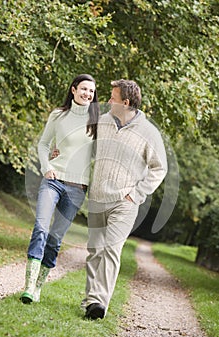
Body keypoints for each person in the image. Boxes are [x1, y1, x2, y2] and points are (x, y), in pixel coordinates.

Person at [83, 79, 168, 319]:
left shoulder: (149, 132)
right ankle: (90, 300)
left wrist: (137, 194)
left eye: (113, 97)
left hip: (125, 202)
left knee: (111, 249)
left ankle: (99, 303)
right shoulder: (103, 121)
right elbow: (84, 144)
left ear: (126, 103)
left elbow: (159, 168)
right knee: (94, 251)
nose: (109, 100)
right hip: (98, 197)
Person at [20, 74, 99, 304]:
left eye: (92, 92)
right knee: (41, 227)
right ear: (73, 90)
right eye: (84, 89)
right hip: (53, 180)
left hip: (77, 188)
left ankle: (38, 287)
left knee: (55, 238)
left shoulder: (97, 122)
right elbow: (44, 144)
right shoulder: (58, 115)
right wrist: (46, 167)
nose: (88, 94)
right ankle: (28, 287)